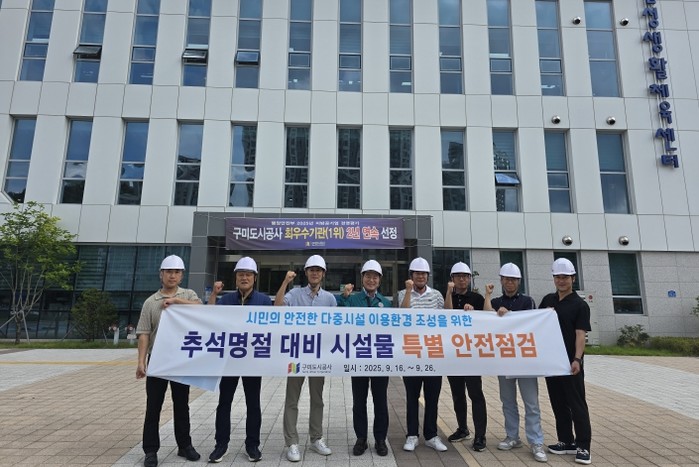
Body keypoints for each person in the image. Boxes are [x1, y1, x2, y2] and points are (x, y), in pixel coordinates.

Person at [135, 255, 202, 467]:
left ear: (182, 275)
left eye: (177, 272)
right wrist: (141, 362)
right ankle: (150, 450)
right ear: (161, 274)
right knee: (153, 407)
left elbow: (201, 309)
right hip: (158, 360)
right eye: (169, 272)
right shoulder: (150, 302)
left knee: (182, 405)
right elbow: (144, 333)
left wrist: (176, 302)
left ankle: (185, 446)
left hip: (180, 360)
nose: (172, 276)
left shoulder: (188, 295)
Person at [207, 257, 272, 463]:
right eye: (241, 274)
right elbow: (209, 319)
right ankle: (221, 444)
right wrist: (214, 295)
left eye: (248, 275)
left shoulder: (264, 301)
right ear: (235, 278)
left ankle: (252, 445)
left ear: (254, 278)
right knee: (224, 402)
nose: (244, 278)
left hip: (253, 361)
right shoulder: (225, 300)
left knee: (253, 404)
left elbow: (272, 329)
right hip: (229, 360)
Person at [275, 255, 336, 462]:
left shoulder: (330, 299)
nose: (315, 273)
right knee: (292, 399)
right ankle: (291, 442)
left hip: (319, 356)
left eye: (318, 270)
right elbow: (277, 307)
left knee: (317, 399)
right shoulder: (294, 294)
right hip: (297, 354)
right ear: (306, 272)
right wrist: (285, 282)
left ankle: (316, 438)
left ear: (323, 274)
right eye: (312, 270)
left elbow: (335, 328)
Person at [484, 263, 547, 463]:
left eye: (513, 279)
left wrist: (509, 315)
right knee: (508, 401)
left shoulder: (527, 301)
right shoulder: (496, 301)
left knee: (531, 404)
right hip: (504, 360)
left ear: (519, 282)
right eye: (506, 279)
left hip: (525, 361)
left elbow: (531, 323)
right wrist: (489, 298)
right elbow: (486, 318)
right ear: (501, 280)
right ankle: (512, 436)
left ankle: (536, 441)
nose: (510, 282)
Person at [540, 258, 592, 465]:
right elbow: (535, 321)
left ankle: (583, 446)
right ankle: (566, 441)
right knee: (558, 403)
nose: (561, 281)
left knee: (577, 405)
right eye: (558, 277)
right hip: (552, 362)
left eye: (565, 277)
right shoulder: (548, 300)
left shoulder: (580, 305)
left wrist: (577, 359)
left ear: (573, 278)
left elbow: (581, 335)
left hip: (570, 363)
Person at [337, 260, 391, 457]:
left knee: (380, 402)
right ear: (362, 278)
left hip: (380, 360)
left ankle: (380, 439)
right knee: (359, 402)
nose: (371, 280)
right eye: (368, 276)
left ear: (380, 280)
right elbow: (340, 318)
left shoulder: (386, 303)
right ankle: (361, 439)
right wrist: (344, 297)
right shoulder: (352, 300)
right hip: (359, 358)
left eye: (375, 277)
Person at [398, 257, 447, 453]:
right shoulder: (402, 293)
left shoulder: (436, 295)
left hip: (433, 353)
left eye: (423, 274)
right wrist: (408, 291)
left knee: (432, 397)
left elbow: (447, 318)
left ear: (428, 276)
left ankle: (431, 435)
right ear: (411, 275)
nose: (420, 276)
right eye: (417, 273)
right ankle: (412, 435)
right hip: (411, 352)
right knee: (412, 397)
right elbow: (401, 316)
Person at [444, 262, 488, 453]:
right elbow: (446, 314)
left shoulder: (477, 298)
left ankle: (480, 435)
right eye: (458, 276)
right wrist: (449, 293)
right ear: (452, 279)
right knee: (457, 394)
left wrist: (475, 311)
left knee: (475, 394)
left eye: (465, 276)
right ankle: (462, 428)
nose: (462, 279)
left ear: (469, 279)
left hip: (471, 354)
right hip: (453, 355)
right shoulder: (448, 297)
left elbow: (487, 320)